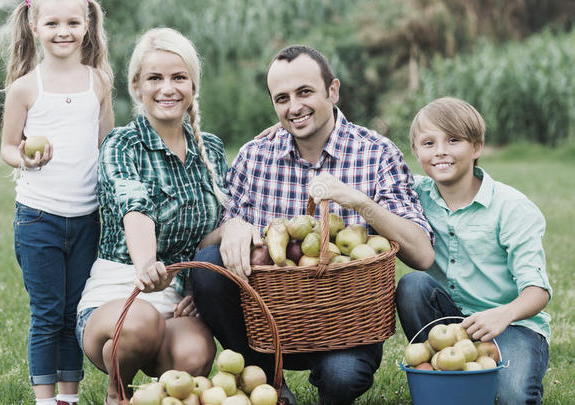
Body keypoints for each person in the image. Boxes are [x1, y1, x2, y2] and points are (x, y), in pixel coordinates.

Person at [190, 45, 434, 405]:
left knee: (342, 377)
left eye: (305, 92)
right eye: (282, 98)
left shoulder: (376, 153)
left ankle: (332, 381)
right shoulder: (255, 156)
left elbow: (423, 255)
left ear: (332, 91)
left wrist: (361, 203)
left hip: (346, 325)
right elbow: (207, 245)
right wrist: (233, 226)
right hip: (270, 322)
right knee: (210, 265)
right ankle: (269, 383)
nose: (294, 107)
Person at [75, 27, 228, 405]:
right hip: (120, 294)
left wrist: (194, 285)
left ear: (193, 85)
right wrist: (146, 264)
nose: (167, 89)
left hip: (173, 299)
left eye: (179, 78)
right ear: (137, 86)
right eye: (155, 78)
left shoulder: (210, 148)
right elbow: (135, 205)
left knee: (195, 354)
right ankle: (118, 394)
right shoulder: (123, 143)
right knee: (141, 323)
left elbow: (212, 232)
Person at [396, 97, 552, 404]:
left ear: (476, 148)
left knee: (513, 397)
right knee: (413, 285)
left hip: (512, 325)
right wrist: (284, 132)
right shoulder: (413, 196)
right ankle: (442, 367)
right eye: (429, 143)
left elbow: (538, 291)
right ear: (416, 152)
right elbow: (363, 167)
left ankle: (483, 368)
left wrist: (503, 315)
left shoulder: (512, 208)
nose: (440, 151)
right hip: (447, 320)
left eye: (453, 140)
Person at [0, 0, 113, 404]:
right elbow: (9, 148)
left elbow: (106, 146)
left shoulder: (97, 82)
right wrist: (26, 153)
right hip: (38, 218)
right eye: (52, 23)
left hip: (86, 218)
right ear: (34, 26)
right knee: (47, 313)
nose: (62, 31)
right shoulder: (26, 87)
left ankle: (70, 396)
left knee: (72, 313)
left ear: (86, 26)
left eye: (72, 22)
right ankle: (45, 399)